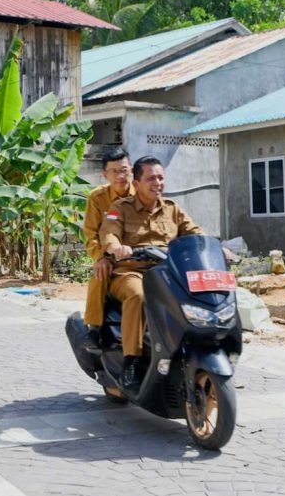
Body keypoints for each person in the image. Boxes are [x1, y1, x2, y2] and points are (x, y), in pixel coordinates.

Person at [100, 156, 204, 392]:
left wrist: (216, 246)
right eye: (150, 178)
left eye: (160, 177)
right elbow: (109, 233)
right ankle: (131, 363)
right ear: (136, 183)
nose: (157, 182)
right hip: (131, 273)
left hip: (168, 273)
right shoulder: (120, 209)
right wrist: (116, 247)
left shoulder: (172, 209)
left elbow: (195, 233)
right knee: (138, 296)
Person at [82, 148, 134, 347]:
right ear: (105, 174)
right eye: (114, 171)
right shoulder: (97, 198)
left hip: (139, 254)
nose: (120, 176)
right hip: (110, 256)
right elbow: (91, 234)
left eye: (124, 170)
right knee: (99, 274)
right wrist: (101, 257)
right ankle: (94, 328)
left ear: (131, 169)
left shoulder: (142, 193)